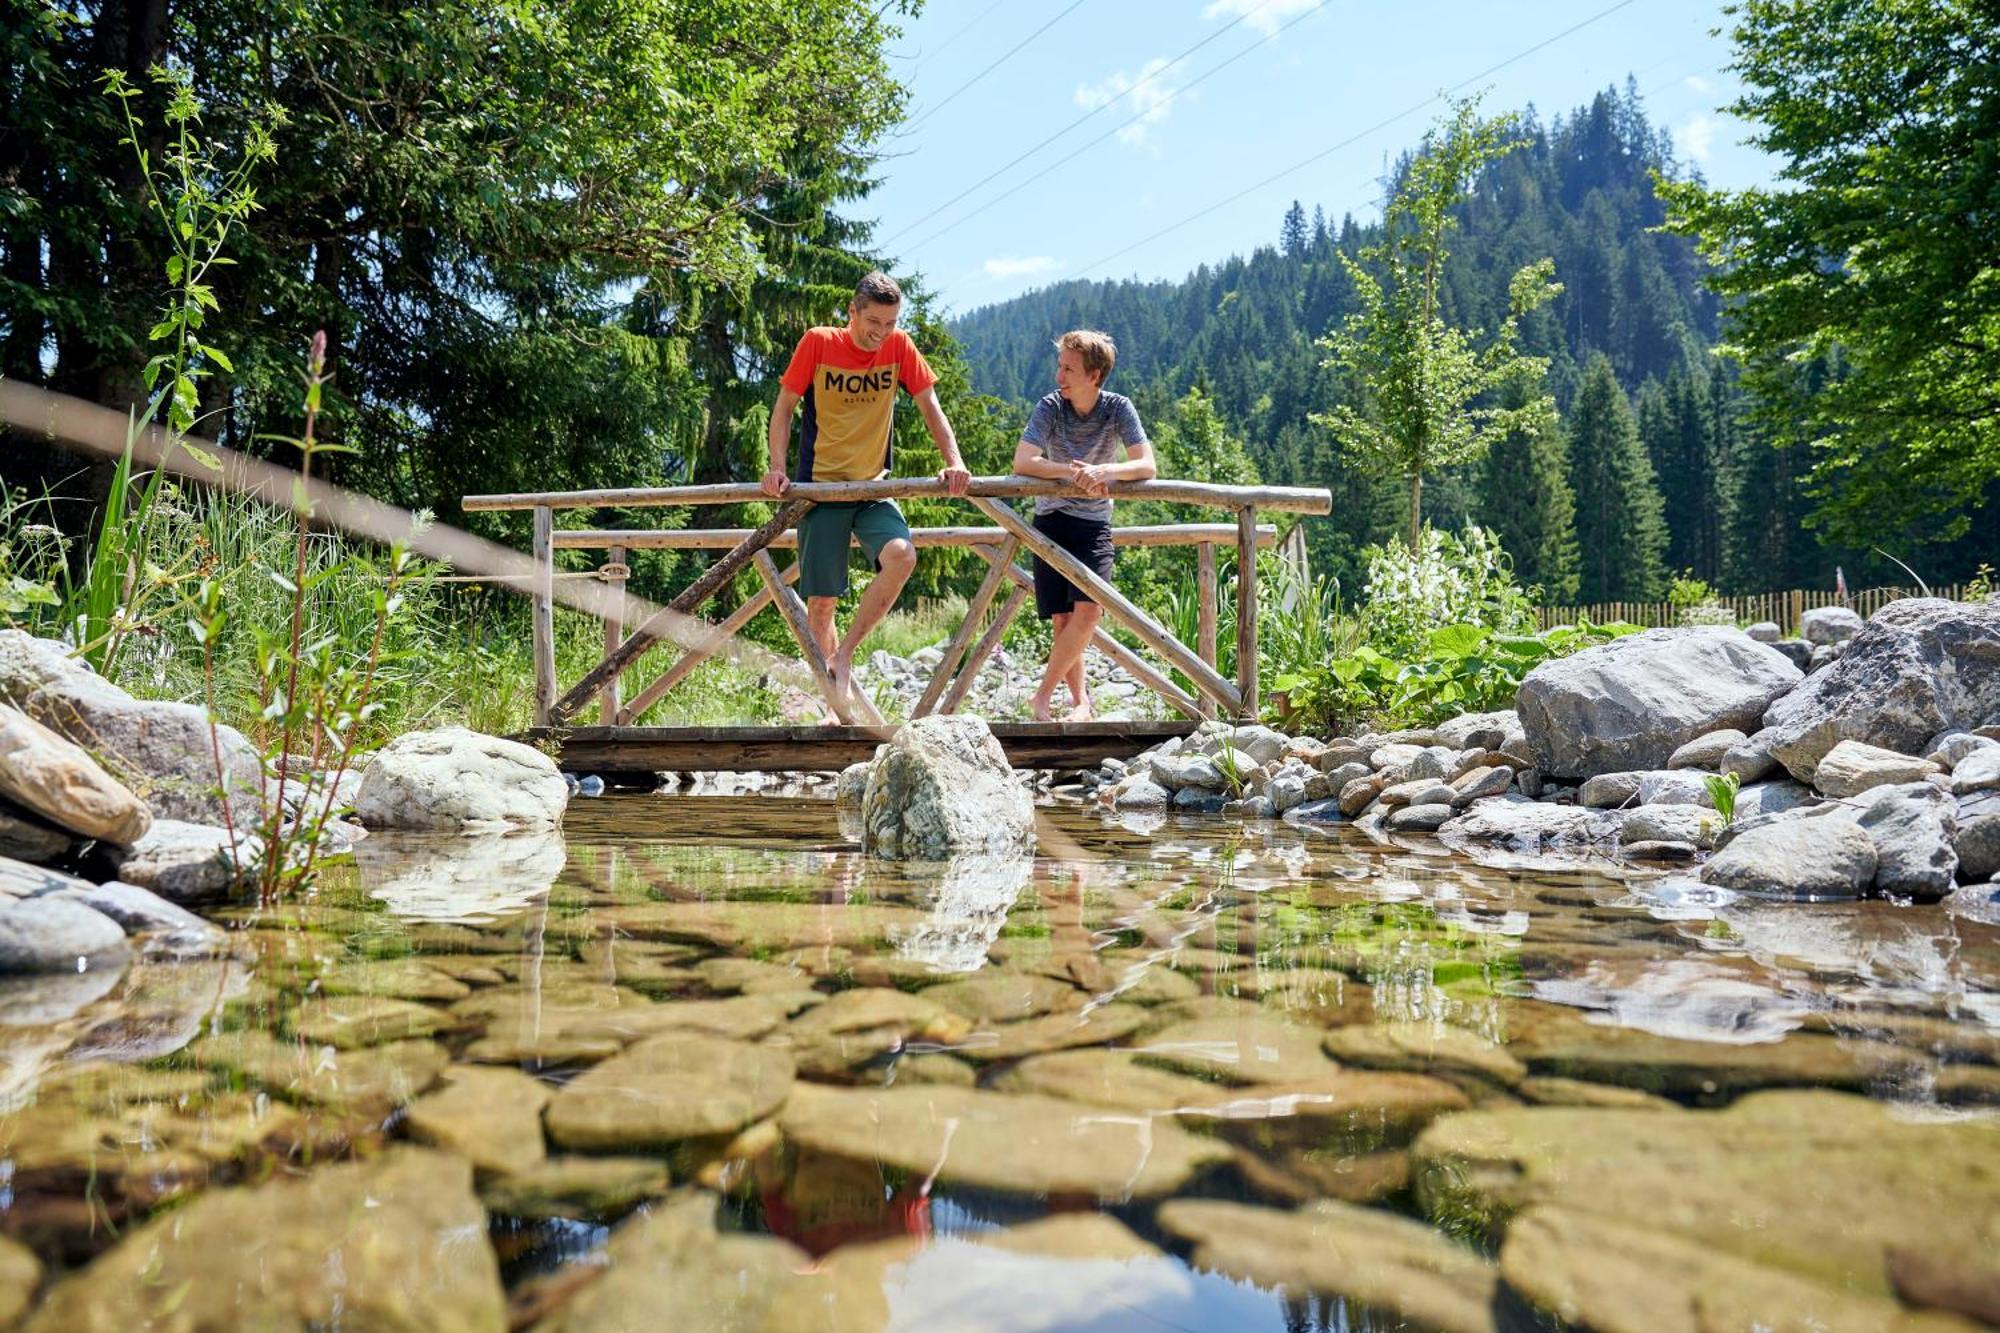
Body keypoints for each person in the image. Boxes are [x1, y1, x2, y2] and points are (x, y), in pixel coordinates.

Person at [764, 271, 970, 713]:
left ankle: (847, 652)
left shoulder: (899, 347)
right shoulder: (819, 343)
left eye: (890, 323)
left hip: (874, 485)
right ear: (851, 312)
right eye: (873, 322)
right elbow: (783, 410)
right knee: (821, 605)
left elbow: (931, 407)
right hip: (820, 489)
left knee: (902, 555)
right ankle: (836, 711)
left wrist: (954, 460)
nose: (881, 333)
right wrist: (777, 469)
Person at [1010, 329, 1155, 722]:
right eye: (1060, 366)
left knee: (1089, 613)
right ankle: (1080, 705)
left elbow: (1146, 465)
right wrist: (1072, 473)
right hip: (1051, 521)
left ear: (1094, 375)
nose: (1059, 376)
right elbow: (1023, 461)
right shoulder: (1050, 406)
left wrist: (1105, 470)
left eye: (1068, 369)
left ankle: (1041, 697)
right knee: (1063, 618)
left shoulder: (1118, 408)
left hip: (1093, 525)